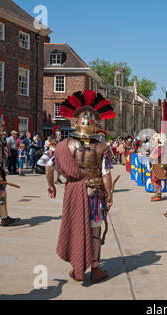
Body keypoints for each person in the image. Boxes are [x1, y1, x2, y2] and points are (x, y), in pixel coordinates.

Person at [45, 90, 115, 283]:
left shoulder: (63, 146)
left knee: (76, 228)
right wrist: (109, 196)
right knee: (94, 231)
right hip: (94, 193)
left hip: (73, 192)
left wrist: (51, 186)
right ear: (95, 125)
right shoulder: (103, 148)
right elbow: (106, 175)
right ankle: (94, 268)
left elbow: (49, 167)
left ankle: (77, 266)